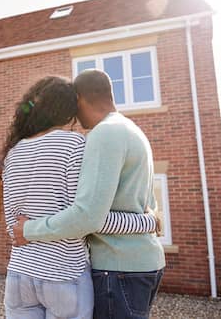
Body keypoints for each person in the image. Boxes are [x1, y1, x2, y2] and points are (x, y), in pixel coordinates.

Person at [12, 70, 165, 319]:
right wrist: (148, 221)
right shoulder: (130, 129)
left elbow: (87, 216)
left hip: (118, 267)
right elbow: (144, 206)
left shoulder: (104, 133)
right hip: (141, 262)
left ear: (80, 98)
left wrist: (28, 230)